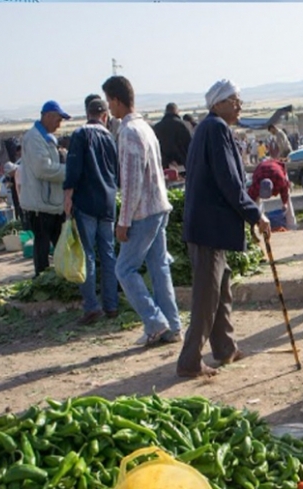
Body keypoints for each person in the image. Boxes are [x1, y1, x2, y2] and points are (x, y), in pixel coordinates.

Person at [177, 80, 271, 378]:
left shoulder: (211, 129)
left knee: (222, 286)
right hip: (209, 227)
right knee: (207, 296)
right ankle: (189, 361)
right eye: (234, 100)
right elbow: (229, 181)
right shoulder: (215, 129)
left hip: (209, 225)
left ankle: (225, 348)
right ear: (217, 104)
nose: (239, 105)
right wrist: (255, 214)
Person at [102, 75, 182, 347]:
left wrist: (123, 221)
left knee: (124, 269)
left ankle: (154, 321)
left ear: (115, 99)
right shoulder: (145, 128)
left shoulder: (128, 132)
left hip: (143, 212)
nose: (109, 108)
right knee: (159, 268)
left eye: (109, 101)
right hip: (159, 206)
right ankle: (172, 325)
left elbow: (132, 181)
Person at [64, 98, 121, 326]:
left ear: (88, 113)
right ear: (105, 116)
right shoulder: (110, 137)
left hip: (86, 202)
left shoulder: (80, 134)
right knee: (108, 254)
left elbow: (74, 168)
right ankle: (112, 304)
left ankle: (91, 306)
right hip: (107, 202)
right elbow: (115, 171)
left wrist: (68, 195)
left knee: (86, 254)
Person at [21, 101, 70, 276]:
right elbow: (43, 169)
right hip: (40, 203)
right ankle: (41, 279)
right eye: (58, 119)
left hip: (51, 203)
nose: (59, 124)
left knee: (58, 243)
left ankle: (60, 276)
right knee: (42, 244)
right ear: (47, 116)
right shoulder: (34, 138)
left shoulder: (46, 138)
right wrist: (69, 172)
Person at [247, 158, 294, 230]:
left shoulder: (280, 179)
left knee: (288, 203)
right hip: (261, 169)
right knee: (256, 204)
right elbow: (250, 199)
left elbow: (285, 191)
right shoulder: (256, 183)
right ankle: (258, 226)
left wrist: (285, 203)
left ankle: (292, 226)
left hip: (277, 168)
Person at [154, 103, 193, 170]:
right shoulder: (186, 125)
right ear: (177, 111)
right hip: (186, 166)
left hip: (165, 168)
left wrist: (168, 162)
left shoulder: (157, 127)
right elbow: (192, 146)